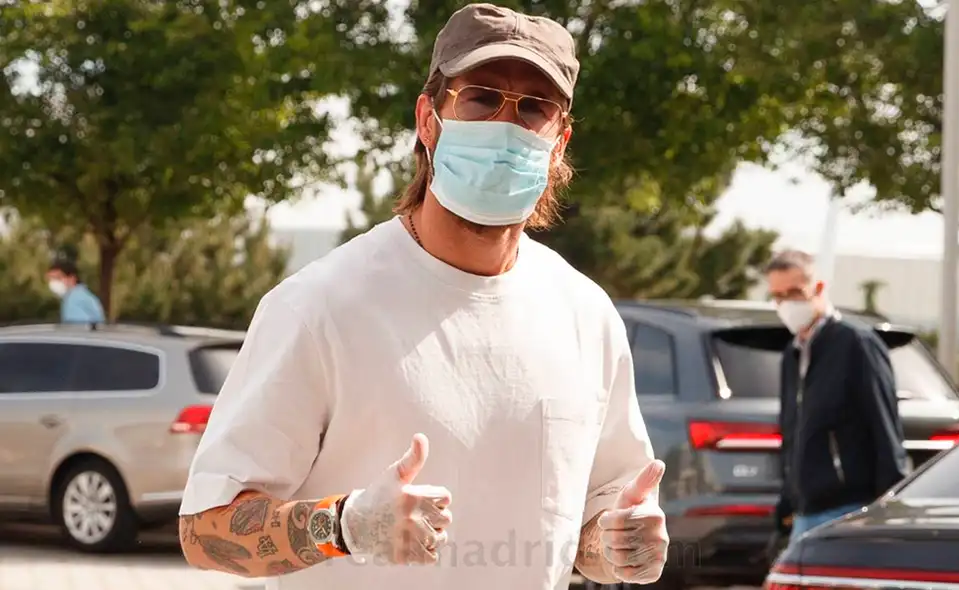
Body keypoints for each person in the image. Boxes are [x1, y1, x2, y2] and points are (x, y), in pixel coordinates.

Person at [177, 4, 669, 590]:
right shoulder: (318, 307)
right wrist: (345, 526)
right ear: (429, 118)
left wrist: (616, 542)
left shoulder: (586, 316)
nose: (506, 127)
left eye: (534, 108)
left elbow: (590, 526)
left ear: (559, 142)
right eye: (482, 98)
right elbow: (204, 532)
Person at [767, 250, 908, 542]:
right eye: (778, 296)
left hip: (850, 509)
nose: (786, 304)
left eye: (794, 292)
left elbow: (884, 427)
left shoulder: (856, 344)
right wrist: (788, 498)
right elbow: (793, 431)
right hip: (805, 512)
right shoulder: (792, 355)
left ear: (818, 288)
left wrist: (885, 510)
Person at [46, 247, 106, 324]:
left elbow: (75, 332)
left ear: (72, 278)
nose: (53, 282)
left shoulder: (74, 300)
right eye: (51, 279)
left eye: (57, 278)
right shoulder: (84, 295)